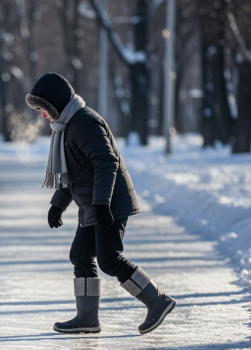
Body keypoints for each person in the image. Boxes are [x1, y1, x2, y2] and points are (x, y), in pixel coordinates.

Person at [25, 72, 176, 335]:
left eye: (43, 109)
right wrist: (58, 205)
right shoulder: (66, 127)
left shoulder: (84, 123)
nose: (42, 116)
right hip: (93, 204)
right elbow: (76, 174)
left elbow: (106, 163)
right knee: (81, 256)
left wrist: (102, 204)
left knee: (108, 259)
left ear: (55, 105)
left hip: (108, 203)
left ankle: (157, 300)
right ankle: (87, 317)